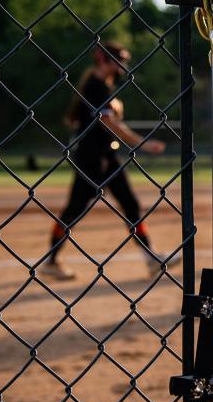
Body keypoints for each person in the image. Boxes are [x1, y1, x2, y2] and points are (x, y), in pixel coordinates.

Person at [41, 42, 179, 281]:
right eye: (117, 61)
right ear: (103, 60)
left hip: (106, 157)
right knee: (74, 209)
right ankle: (51, 261)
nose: (121, 67)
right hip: (92, 160)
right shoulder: (95, 86)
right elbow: (108, 124)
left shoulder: (103, 86)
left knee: (130, 204)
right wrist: (141, 143)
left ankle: (151, 258)